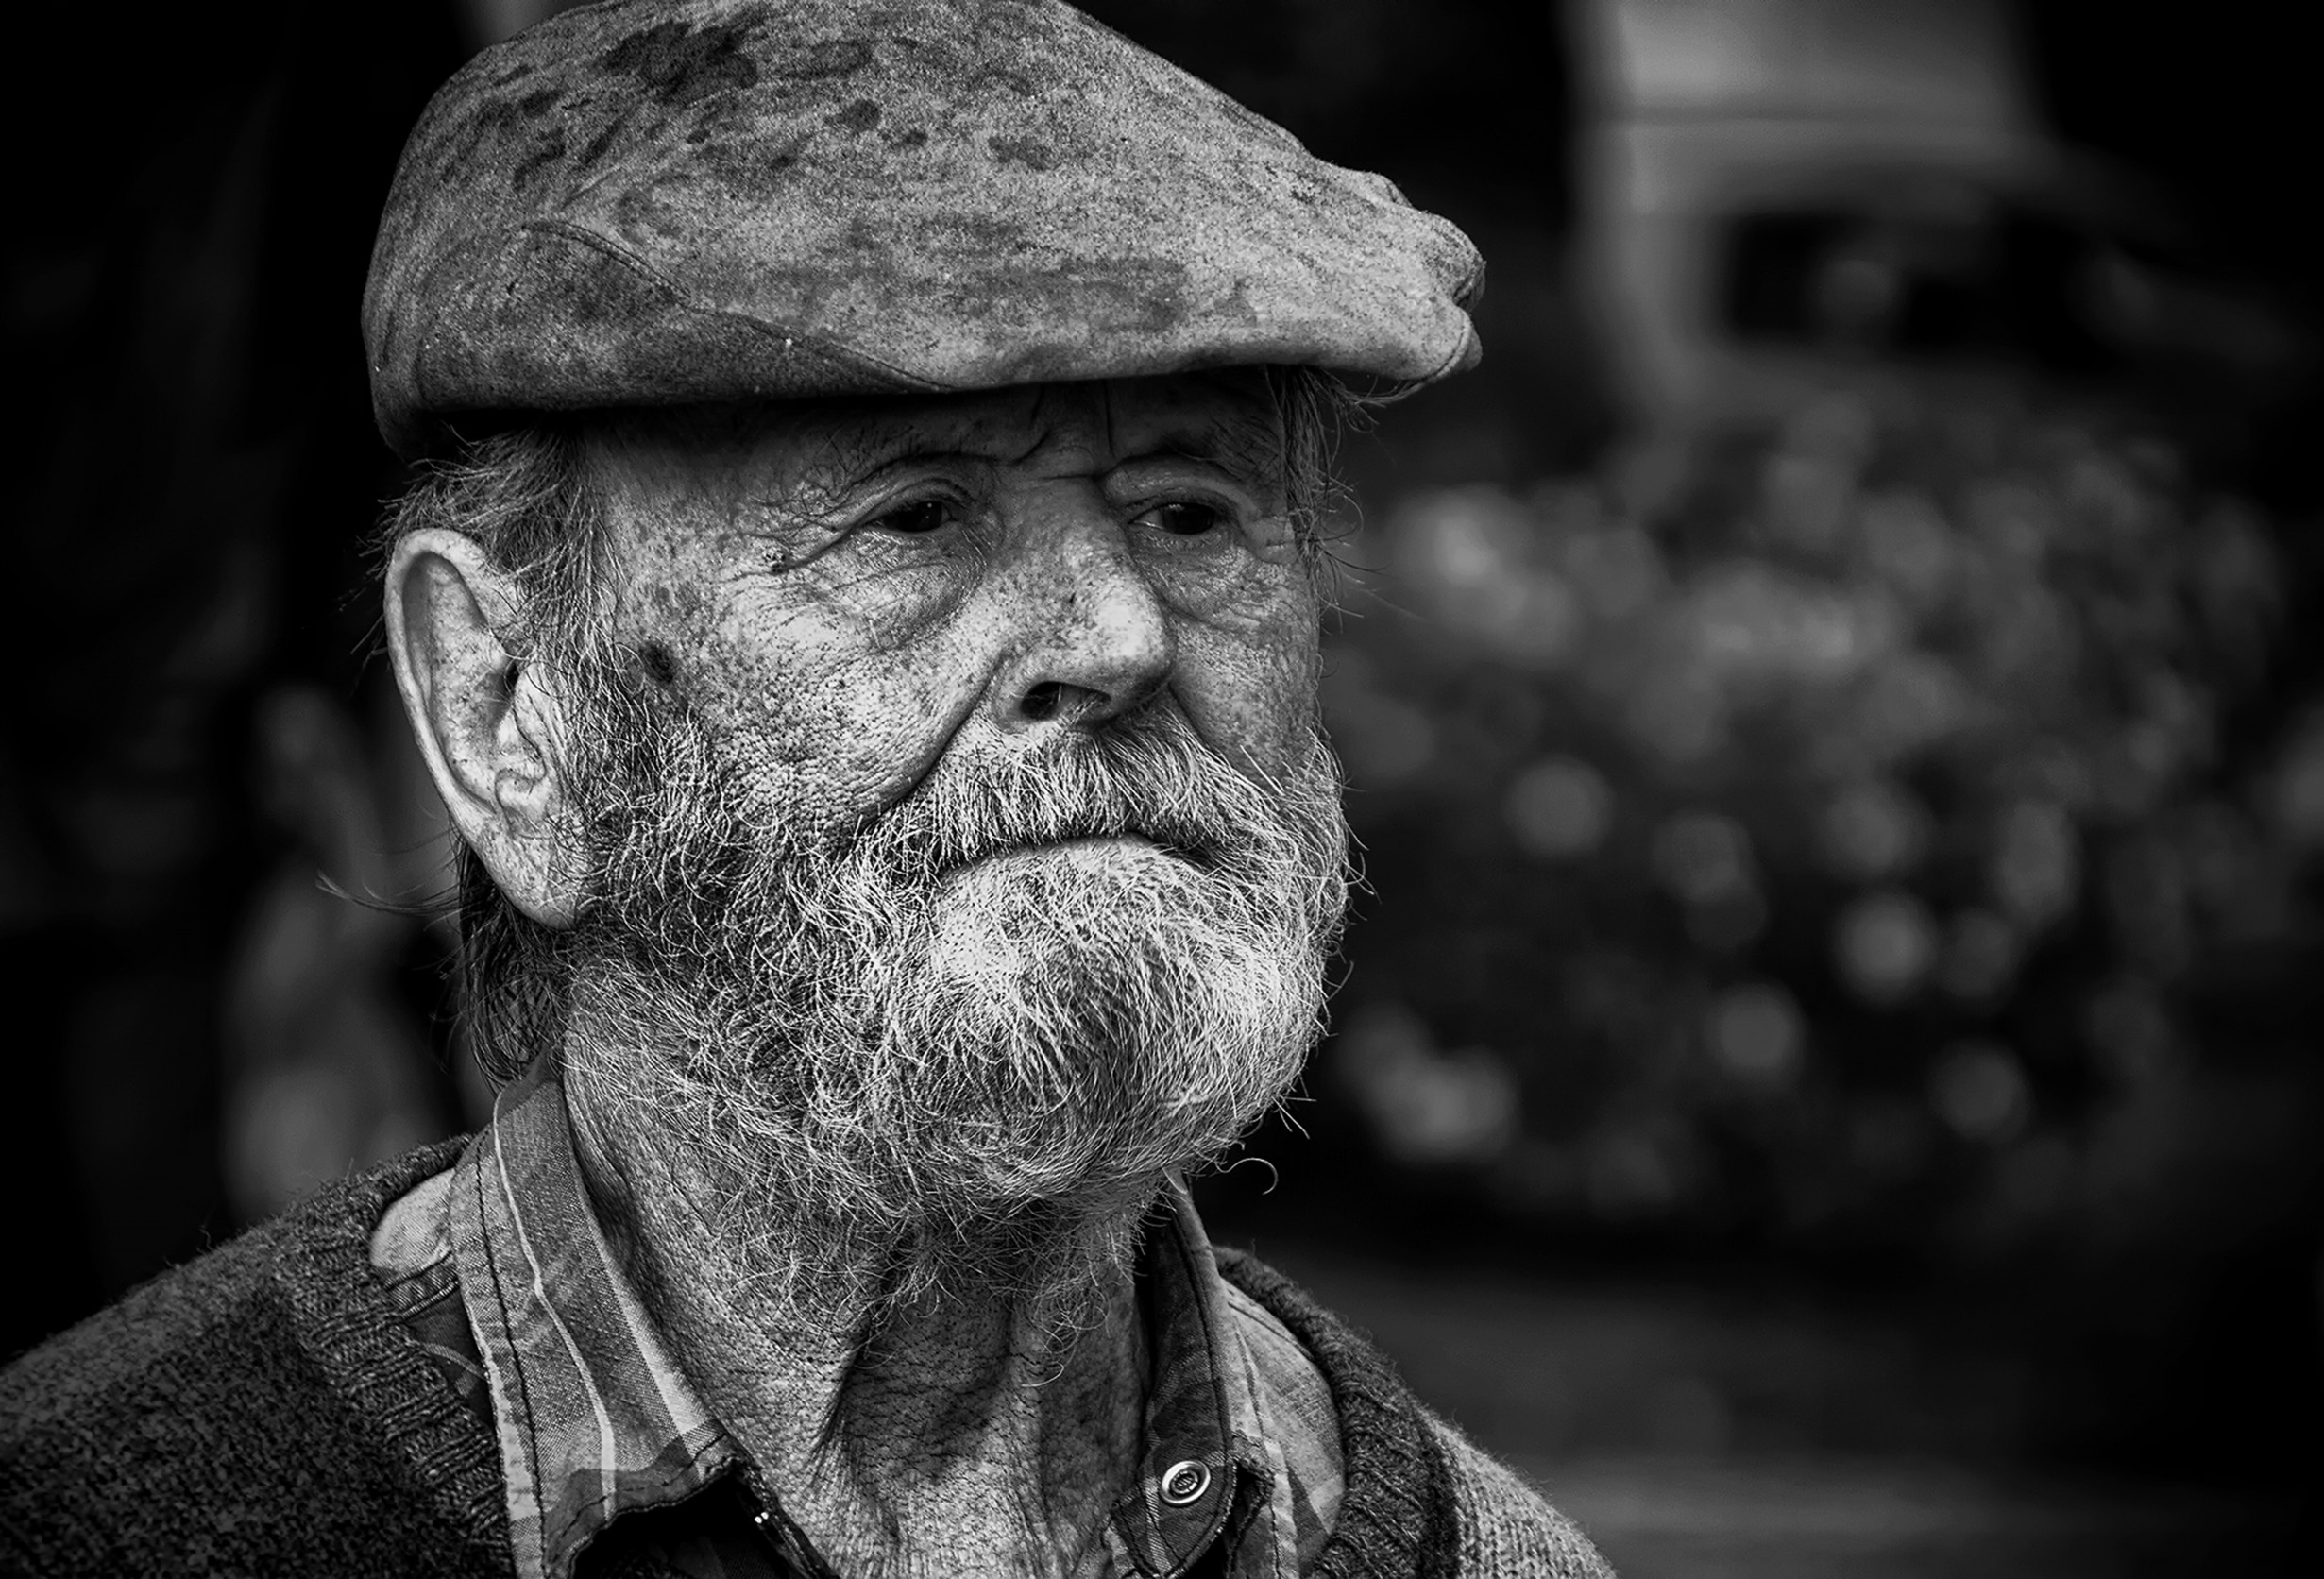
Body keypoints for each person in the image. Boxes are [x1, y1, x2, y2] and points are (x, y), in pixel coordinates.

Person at [2, 2, 1611, 1574]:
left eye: (1191, 513)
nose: (1117, 637)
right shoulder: (102, 1521)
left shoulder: (1471, 1556)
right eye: (914, 519)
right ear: (507, 709)